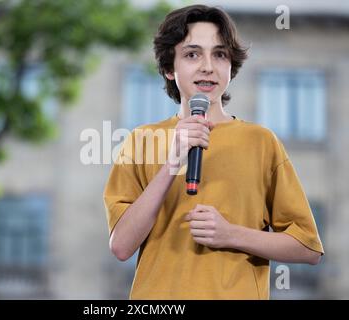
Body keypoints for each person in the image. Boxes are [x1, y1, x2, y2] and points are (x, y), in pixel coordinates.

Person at [103, 4, 324, 299]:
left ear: (230, 66)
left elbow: (308, 248)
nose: (208, 66)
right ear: (170, 68)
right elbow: (121, 246)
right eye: (192, 54)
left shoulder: (261, 142)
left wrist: (231, 234)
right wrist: (172, 162)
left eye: (219, 54)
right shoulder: (141, 141)